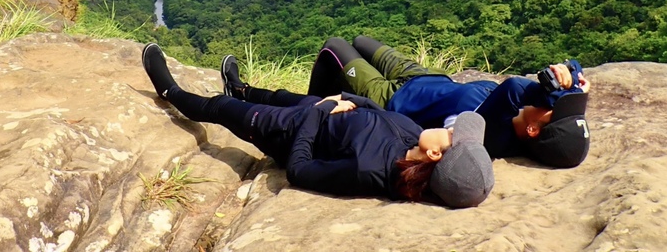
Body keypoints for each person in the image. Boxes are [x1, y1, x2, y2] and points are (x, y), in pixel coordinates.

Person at [141, 43, 493, 207]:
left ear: (434, 155)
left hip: (288, 132)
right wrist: (351, 101)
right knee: (277, 94)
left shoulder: (368, 170)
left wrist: (319, 113)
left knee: (220, 107)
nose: (450, 127)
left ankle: (170, 90)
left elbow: (299, 170)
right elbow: (378, 114)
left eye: (452, 135)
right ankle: (242, 87)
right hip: (325, 112)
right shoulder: (415, 136)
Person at [298, 35, 591, 168]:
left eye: (554, 111)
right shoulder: (520, 120)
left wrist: (554, 84)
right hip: (424, 77)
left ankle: (304, 119)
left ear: (533, 131)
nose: (555, 102)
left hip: (393, 97)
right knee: (361, 40)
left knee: (334, 47)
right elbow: (565, 84)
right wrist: (575, 83)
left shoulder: (490, 132)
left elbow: (514, 86)